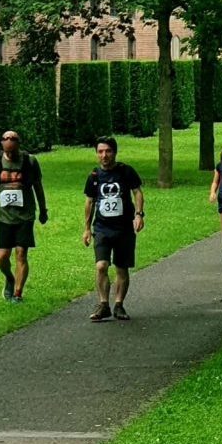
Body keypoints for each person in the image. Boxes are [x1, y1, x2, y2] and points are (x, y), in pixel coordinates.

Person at [0, 130, 48, 303]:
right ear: (1, 143)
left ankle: (18, 293)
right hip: (4, 217)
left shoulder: (29, 161)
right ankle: (10, 278)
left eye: (13, 142)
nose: (9, 153)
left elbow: (38, 187)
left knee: (21, 254)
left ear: (18, 143)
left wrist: (43, 210)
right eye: (6, 142)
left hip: (25, 216)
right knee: (2, 257)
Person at [83, 136, 144, 322]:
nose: (104, 155)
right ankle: (103, 304)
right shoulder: (94, 176)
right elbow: (89, 202)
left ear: (114, 152)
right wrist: (86, 228)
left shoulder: (126, 171)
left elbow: (137, 192)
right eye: (100, 151)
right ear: (96, 154)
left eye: (108, 151)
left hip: (124, 227)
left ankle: (118, 305)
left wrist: (139, 214)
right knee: (101, 265)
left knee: (121, 268)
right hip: (102, 227)